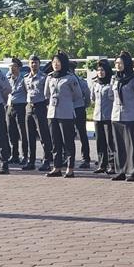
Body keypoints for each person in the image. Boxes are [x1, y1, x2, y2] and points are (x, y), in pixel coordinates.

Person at [110, 50, 134, 182]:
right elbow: (111, 94)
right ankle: (120, 170)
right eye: (116, 63)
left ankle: (133, 171)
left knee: (132, 145)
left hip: (130, 115)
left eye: (120, 63)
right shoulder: (114, 78)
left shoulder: (133, 79)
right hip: (116, 116)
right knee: (119, 144)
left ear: (126, 64)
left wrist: (133, 101)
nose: (118, 65)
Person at [43, 50, 80, 178]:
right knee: (55, 141)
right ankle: (56, 167)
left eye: (58, 62)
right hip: (52, 113)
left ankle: (70, 167)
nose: (55, 64)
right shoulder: (50, 77)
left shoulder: (70, 77)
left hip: (66, 113)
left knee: (68, 141)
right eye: (53, 62)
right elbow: (46, 94)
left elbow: (77, 95)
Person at [23, 55, 52, 172]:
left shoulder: (44, 77)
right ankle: (31, 161)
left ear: (39, 64)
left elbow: (47, 93)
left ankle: (47, 161)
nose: (33, 65)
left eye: (35, 63)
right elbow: (26, 91)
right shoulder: (25, 77)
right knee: (30, 136)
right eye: (31, 63)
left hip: (40, 106)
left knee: (43, 135)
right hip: (29, 107)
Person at [90, 58, 115, 174]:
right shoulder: (95, 84)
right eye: (99, 70)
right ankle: (102, 164)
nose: (100, 72)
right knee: (100, 141)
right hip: (97, 116)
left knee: (110, 142)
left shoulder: (112, 83)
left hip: (108, 116)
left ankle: (112, 164)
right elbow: (92, 98)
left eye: (103, 70)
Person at [6, 57, 28, 166]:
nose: (12, 69)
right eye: (10, 67)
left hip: (21, 106)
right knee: (11, 132)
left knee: (22, 132)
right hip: (10, 106)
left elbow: (28, 93)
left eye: (14, 66)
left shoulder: (24, 79)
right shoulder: (8, 78)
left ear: (18, 67)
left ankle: (25, 155)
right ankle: (14, 155)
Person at [72, 63, 92, 169]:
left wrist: (84, 106)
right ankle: (71, 157)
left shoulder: (80, 81)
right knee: (73, 135)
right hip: (71, 109)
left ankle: (85, 159)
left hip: (78, 109)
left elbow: (87, 97)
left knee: (81, 134)